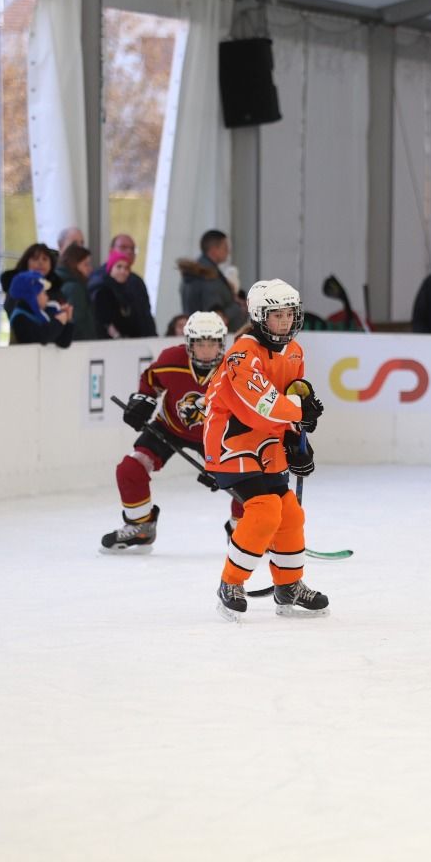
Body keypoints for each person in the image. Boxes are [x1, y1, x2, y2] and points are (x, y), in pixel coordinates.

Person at [204, 278, 328, 621]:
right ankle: (230, 583)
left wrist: (295, 439)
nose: (285, 321)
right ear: (260, 316)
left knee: (289, 512)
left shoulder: (295, 352)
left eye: (290, 314)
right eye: (277, 315)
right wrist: (299, 413)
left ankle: (289, 584)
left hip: (268, 439)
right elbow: (263, 403)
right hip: (231, 441)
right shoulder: (242, 354)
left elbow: (292, 397)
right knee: (264, 510)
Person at [101, 312, 237, 553]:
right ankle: (140, 525)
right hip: (169, 426)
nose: (206, 350)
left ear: (222, 343)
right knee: (131, 468)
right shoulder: (172, 359)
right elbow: (151, 379)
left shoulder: (234, 371)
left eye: (212, 343)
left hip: (217, 435)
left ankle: (243, 531)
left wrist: (220, 466)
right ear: (189, 343)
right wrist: (143, 400)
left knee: (246, 480)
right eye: (199, 343)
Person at [88, 234, 158, 337]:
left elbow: (145, 314)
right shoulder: (99, 282)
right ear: (111, 251)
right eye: (123, 247)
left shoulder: (137, 281)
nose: (129, 251)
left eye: (132, 249)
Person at [179, 229, 247, 330]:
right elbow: (216, 316)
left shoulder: (196, 273)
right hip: (214, 338)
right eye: (225, 248)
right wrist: (237, 307)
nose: (228, 251)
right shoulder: (208, 276)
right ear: (214, 250)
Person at [6, 271, 73, 347]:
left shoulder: (44, 314)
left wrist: (67, 321)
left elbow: (63, 343)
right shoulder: (20, 317)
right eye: (44, 293)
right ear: (32, 295)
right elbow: (41, 337)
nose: (47, 297)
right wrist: (58, 322)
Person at [0, 244, 65, 316]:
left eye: (45, 259)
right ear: (26, 262)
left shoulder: (57, 287)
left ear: (51, 264)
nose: (40, 262)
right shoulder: (18, 285)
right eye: (35, 259)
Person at [94, 251, 146, 339]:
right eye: (119, 267)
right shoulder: (103, 292)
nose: (123, 271)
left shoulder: (130, 292)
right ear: (111, 269)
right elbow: (105, 322)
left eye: (126, 268)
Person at [57, 244, 99, 340]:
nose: (90, 269)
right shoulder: (75, 289)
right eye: (86, 264)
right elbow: (78, 322)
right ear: (73, 264)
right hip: (81, 345)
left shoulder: (62, 283)